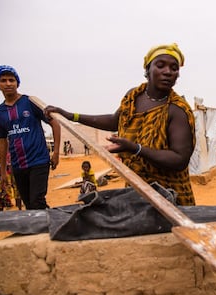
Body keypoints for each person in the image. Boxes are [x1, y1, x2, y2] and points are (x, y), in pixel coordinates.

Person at [44, 43, 196, 205]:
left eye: (174, 68)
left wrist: (135, 149)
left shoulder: (177, 110)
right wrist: (71, 116)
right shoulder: (134, 96)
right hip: (136, 190)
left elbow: (179, 160)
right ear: (147, 68)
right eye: (160, 65)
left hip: (170, 196)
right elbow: (115, 121)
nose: (168, 72)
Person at [0, 65, 61, 210]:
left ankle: (57, 227)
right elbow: (2, 141)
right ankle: (47, 227)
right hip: (18, 165)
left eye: (12, 80)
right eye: (3, 80)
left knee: (37, 201)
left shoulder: (30, 102)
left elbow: (55, 123)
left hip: (39, 160)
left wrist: (55, 153)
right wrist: (3, 171)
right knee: (29, 205)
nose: (8, 84)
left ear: (17, 82)